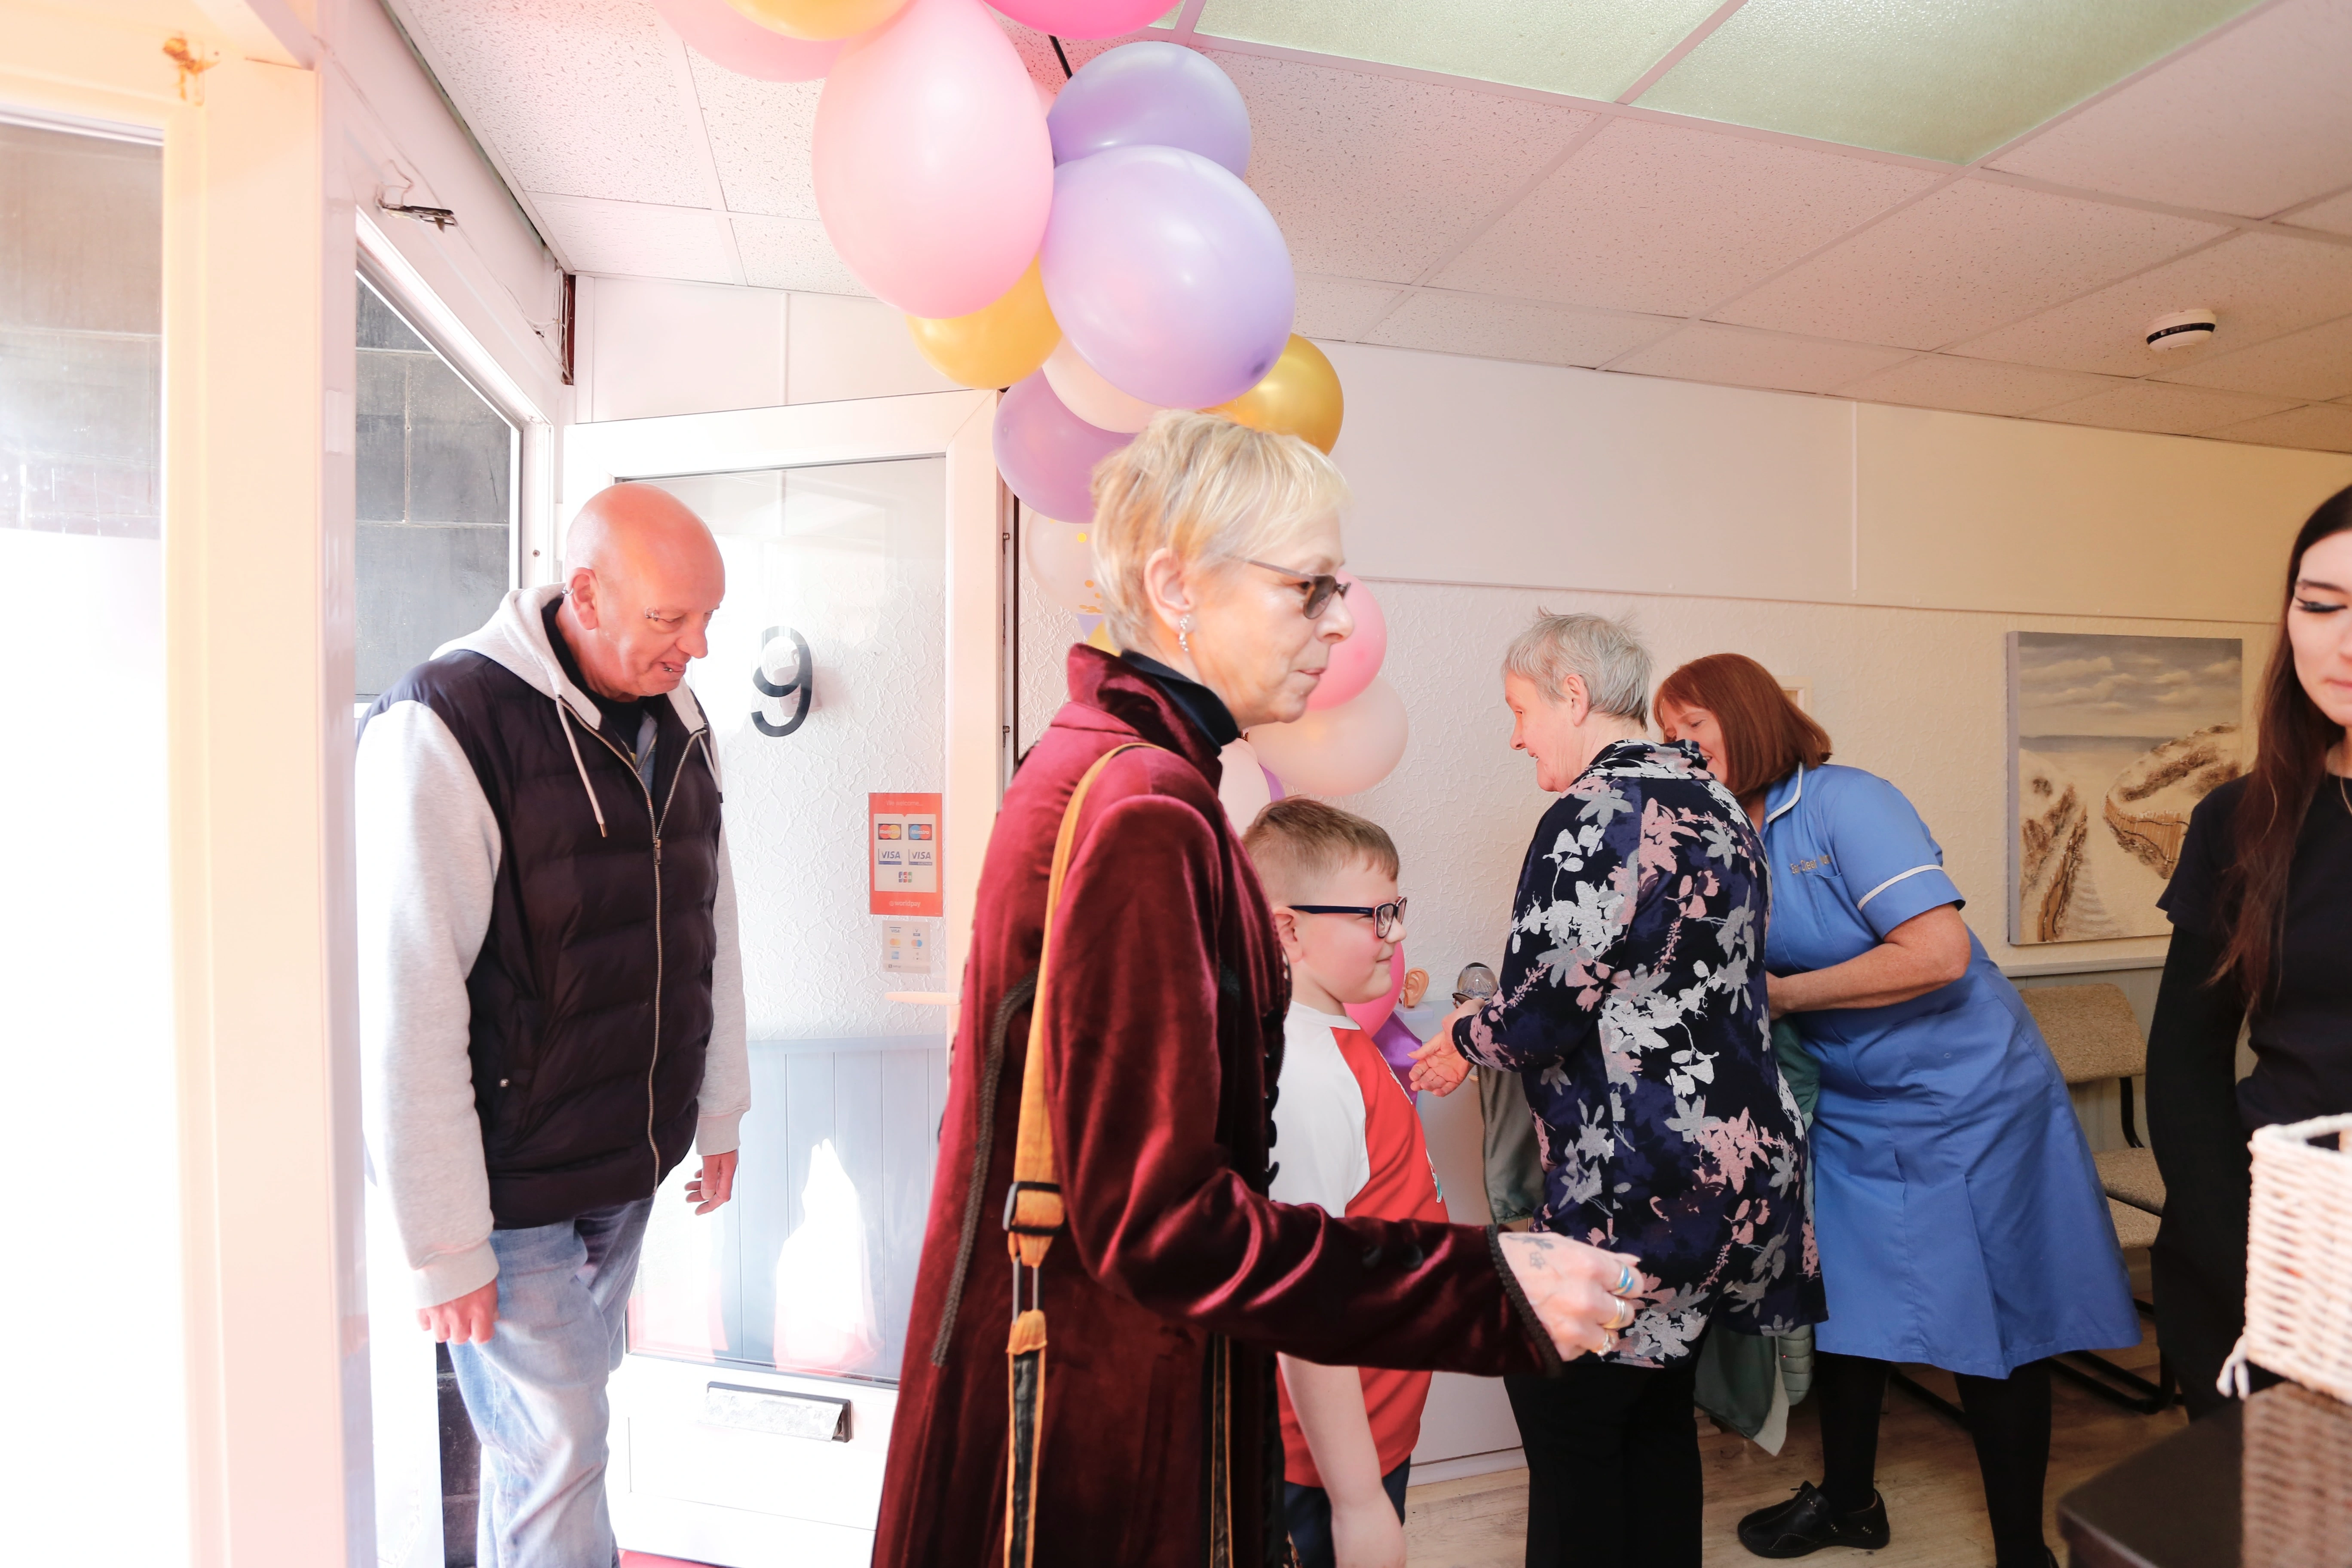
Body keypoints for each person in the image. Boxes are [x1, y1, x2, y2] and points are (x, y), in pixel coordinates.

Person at [874, 415, 1646, 1568]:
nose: (1339, 623)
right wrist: (1484, 1286)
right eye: (1309, 589)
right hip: (1099, 1410)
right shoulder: (1145, 810)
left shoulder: (1114, 767)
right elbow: (1164, 1221)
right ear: (1175, 585)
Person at [1654, 653, 2135, 1568]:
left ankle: (2022, 1548)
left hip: (1972, 1099)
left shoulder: (1846, 803)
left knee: (1992, 1322)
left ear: (1749, 721)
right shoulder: (1724, 832)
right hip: (1858, 1101)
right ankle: (1847, 1501)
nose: (1676, 747)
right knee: (1845, 1307)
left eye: (1694, 726)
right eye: (1665, 731)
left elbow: (1940, 952)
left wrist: (1789, 997)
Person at [357, 484, 750, 1567]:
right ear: (584, 592)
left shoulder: (682, 721)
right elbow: (409, 991)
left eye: (708, 618)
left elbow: (711, 918)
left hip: (624, 1160)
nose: (698, 649)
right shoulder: (446, 720)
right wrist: (442, 1245)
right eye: (672, 620)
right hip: (508, 1180)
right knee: (566, 1440)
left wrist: (716, 1108)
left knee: (545, 1451)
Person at [1409, 612, 1822, 1568]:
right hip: (1740, 1167)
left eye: (1520, 710)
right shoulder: (1717, 801)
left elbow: (1549, 1006)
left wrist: (1466, 1035)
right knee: (1652, 1416)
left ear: (1572, 693)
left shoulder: (1596, 813)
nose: (1515, 736)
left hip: (1648, 1176)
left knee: (1571, 1428)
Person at [2149, 484, 2352, 1416]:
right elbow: (2184, 1063)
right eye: (2322, 604)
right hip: (2268, 1244)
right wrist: (2249, 1267)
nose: (2344, 642)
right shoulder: (2244, 819)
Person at [1245, 798, 1442, 1568]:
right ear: (1288, 929)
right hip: (1329, 1463)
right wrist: (1359, 1502)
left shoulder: (1338, 1038)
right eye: (1374, 917)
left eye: (1396, 910)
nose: (1394, 937)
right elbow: (1303, 1301)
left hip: (1378, 1422)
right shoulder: (1306, 1073)